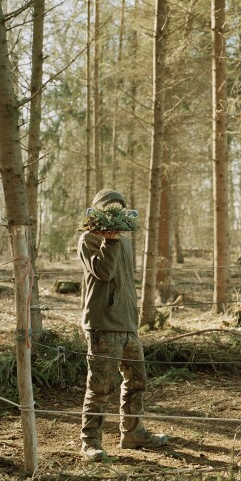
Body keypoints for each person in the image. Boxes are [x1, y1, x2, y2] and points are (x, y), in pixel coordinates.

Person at [78, 188, 168, 462]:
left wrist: (134, 320)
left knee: (137, 382)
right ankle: (90, 443)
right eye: (109, 210)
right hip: (103, 325)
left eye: (119, 209)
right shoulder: (89, 240)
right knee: (100, 387)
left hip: (128, 325)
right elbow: (104, 272)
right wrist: (109, 241)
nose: (115, 215)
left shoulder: (124, 241)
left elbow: (126, 283)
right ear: (99, 212)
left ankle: (133, 433)